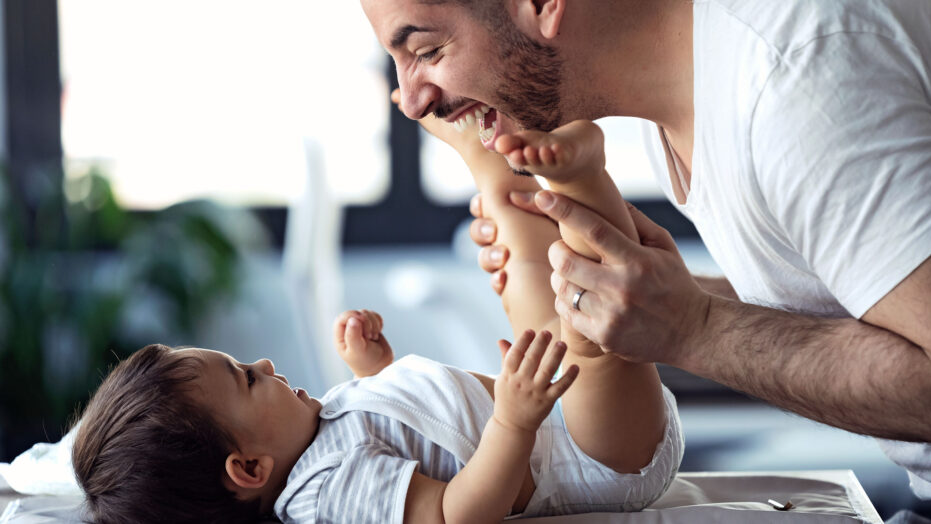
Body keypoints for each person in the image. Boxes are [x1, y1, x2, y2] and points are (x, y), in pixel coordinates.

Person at [360, 0, 931, 521]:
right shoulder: (687, 95)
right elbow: (873, 292)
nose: (412, 99)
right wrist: (662, 296)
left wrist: (693, 328)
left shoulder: (796, 79)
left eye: (426, 50)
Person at [70, 117, 682, 523]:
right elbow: (452, 513)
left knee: (530, 271)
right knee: (589, 324)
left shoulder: (316, 430)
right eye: (247, 379)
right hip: (596, 461)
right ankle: (585, 179)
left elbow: (404, 433)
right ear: (250, 469)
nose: (263, 363)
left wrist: (374, 369)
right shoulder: (325, 492)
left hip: (560, 420)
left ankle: (491, 156)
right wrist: (513, 420)